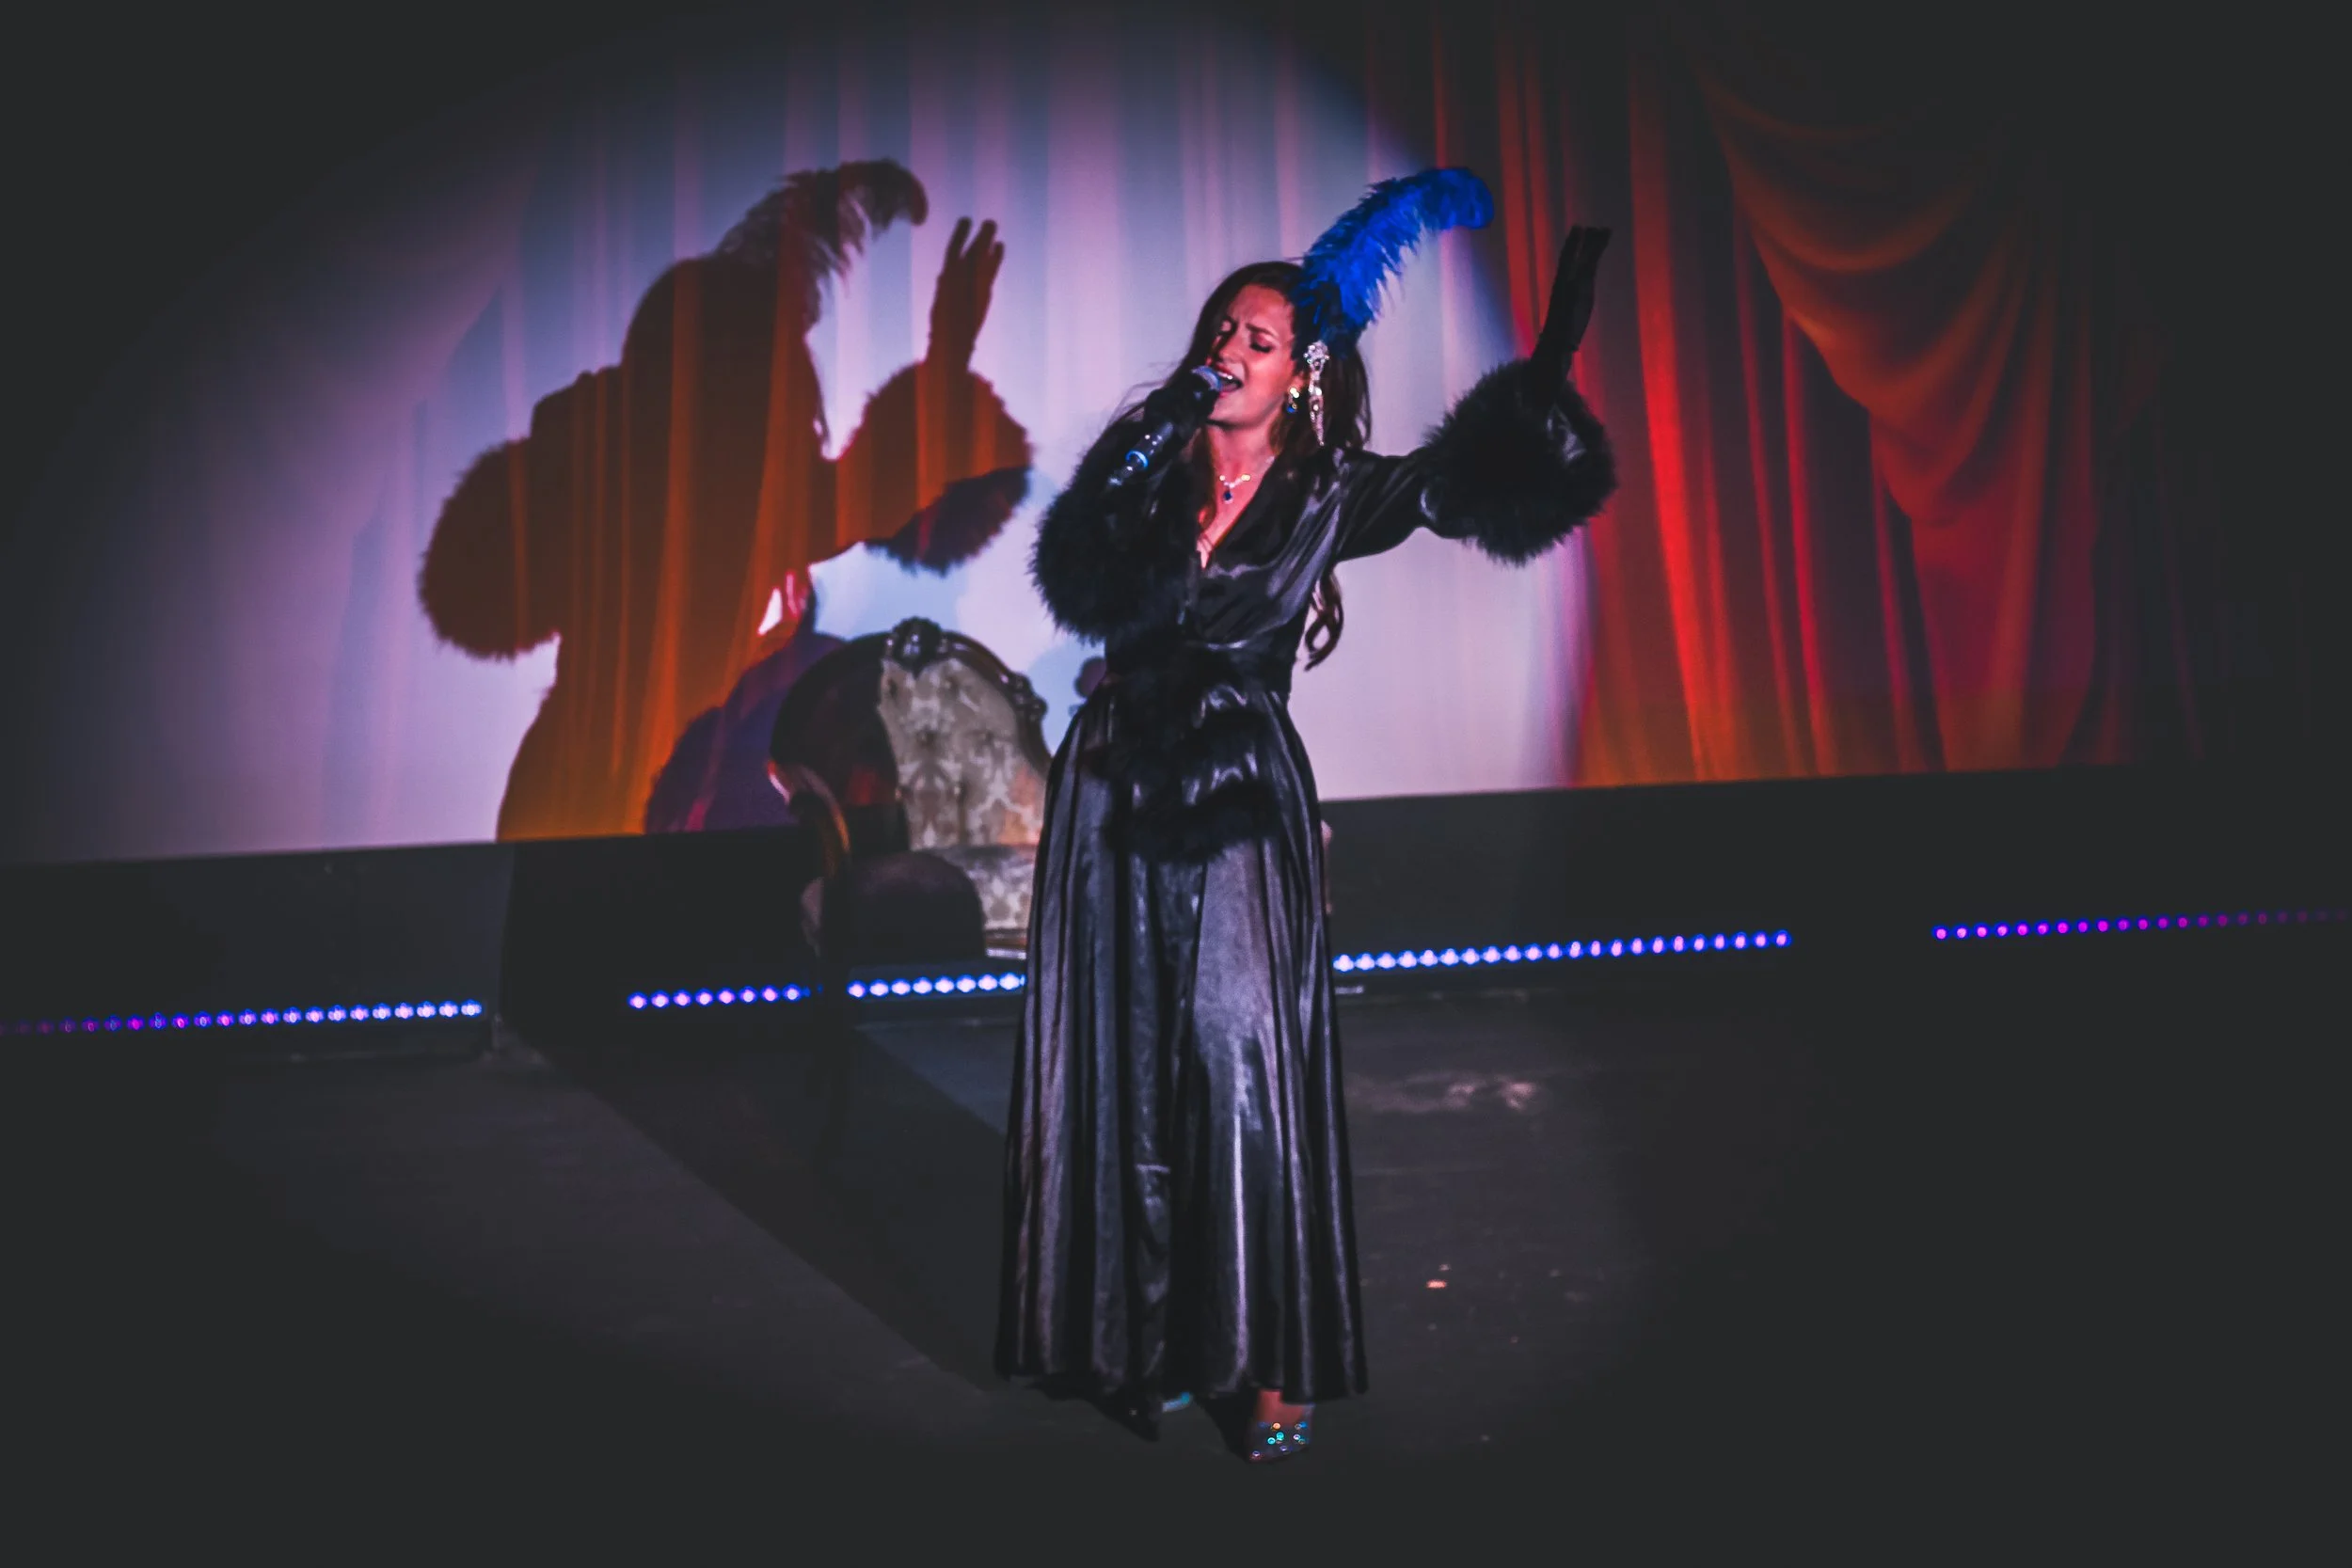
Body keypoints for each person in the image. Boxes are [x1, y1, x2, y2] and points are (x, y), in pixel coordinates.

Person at [997, 172, 1615, 1463]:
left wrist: (1556, 338)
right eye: (1221, 330)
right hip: (1112, 790)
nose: (1230, 349)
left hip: (1232, 804)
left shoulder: (1335, 492)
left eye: (1259, 339)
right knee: (1117, 1063)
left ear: (1303, 375)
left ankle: (1264, 1354)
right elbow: (1071, 567)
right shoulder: (1152, 479)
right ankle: (1135, 1338)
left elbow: (1478, 489)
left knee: (1234, 1056)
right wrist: (1150, 429)